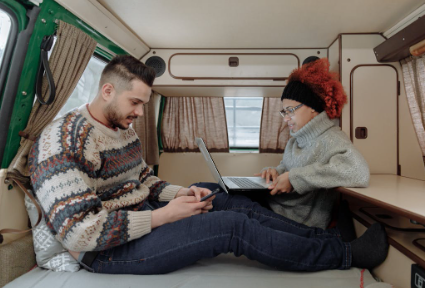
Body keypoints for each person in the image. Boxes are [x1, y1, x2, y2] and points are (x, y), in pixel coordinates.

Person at [29, 55, 388, 275]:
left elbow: (144, 182)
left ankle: (321, 238)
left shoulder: (123, 129)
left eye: (144, 104)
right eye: (135, 102)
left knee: (221, 198)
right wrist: (164, 216)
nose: (140, 113)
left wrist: (183, 194)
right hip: (107, 250)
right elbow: (81, 233)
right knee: (232, 227)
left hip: (139, 215)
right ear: (107, 91)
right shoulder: (60, 142)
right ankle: (343, 254)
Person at [254, 58, 370, 233]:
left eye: (290, 110)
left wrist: (295, 178)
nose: (286, 118)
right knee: (219, 194)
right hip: (278, 206)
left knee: (227, 204)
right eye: (284, 112)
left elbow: (358, 172)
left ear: (313, 108)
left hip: (297, 219)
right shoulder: (295, 139)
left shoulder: (332, 138)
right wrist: (275, 172)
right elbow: (288, 167)